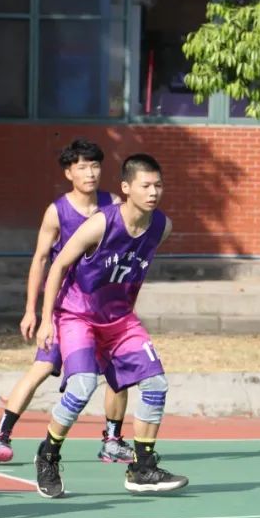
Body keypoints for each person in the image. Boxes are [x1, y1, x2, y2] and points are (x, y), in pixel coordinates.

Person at [33, 153, 188, 498]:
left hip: (120, 319)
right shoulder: (101, 224)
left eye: (158, 185)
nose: (153, 192)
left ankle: (142, 468)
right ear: (126, 188)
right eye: (145, 185)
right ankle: (48, 455)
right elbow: (57, 266)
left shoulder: (161, 227)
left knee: (156, 384)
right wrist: (45, 320)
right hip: (78, 315)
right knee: (82, 386)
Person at [0, 139, 133, 465]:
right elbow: (40, 260)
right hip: (67, 309)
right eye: (82, 167)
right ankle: (1, 435)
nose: (90, 173)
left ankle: (112, 440)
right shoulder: (57, 212)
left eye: (95, 166)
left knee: (118, 372)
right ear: (69, 172)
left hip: (104, 310)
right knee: (41, 368)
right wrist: (32, 312)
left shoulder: (113, 205)